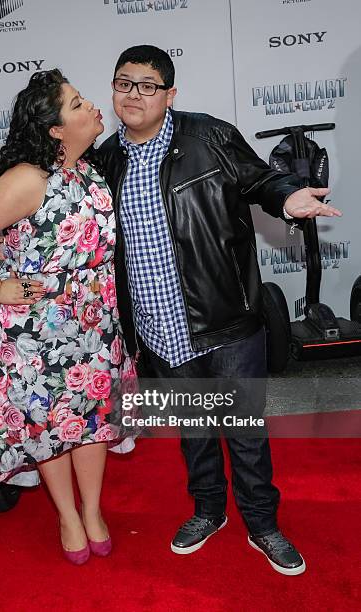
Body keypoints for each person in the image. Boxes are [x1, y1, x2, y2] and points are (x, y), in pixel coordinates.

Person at [98, 45, 342, 576]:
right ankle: (209, 510)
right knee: (193, 432)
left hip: (225, 318)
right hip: (158, 326)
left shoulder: (207, 136)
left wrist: (287, 198)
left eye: (147, 85)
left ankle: (262, 523)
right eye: (123, 83)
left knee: (245, 431)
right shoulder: (106, 160)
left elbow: (260, 180)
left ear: (170, 94)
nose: (133, 94)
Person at [0, 69, 133, 565]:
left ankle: (92, 511)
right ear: (54, 129)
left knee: (90, 420)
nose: (92, 107)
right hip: (40, 330)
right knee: (52, 426)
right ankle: (68, 517)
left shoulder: (88, 171)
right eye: (76, 104)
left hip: (93, 322)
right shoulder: (29, 177)